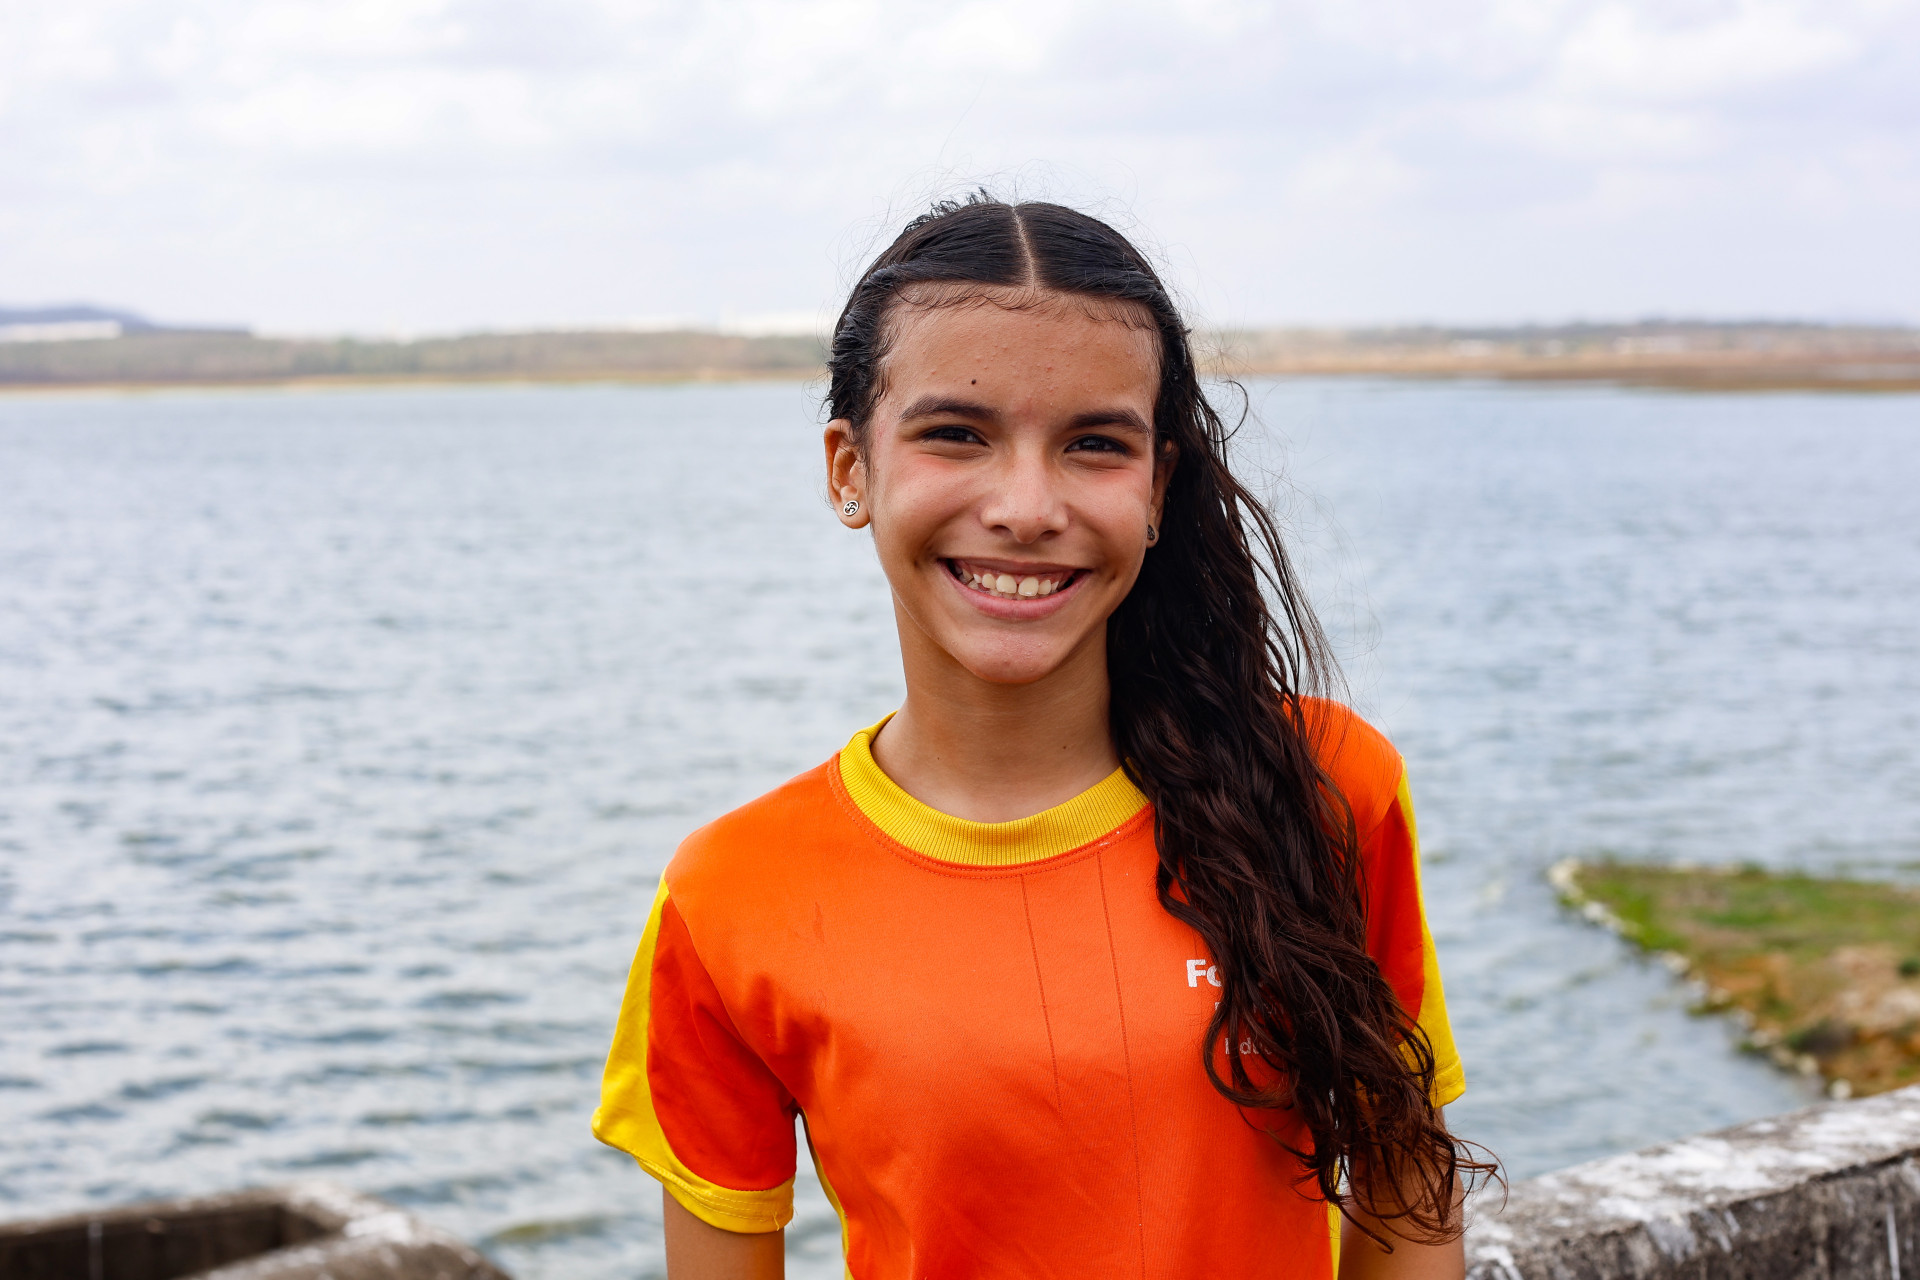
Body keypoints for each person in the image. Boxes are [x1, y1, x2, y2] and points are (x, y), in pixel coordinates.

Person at [592, 196, 1493, 1280]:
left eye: (1094, 444)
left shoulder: (1325, 784)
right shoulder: (730, 894)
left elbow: (1407, 1200)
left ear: (1157, 486)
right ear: (849, 469)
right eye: (956, 433)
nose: (1026, 505)